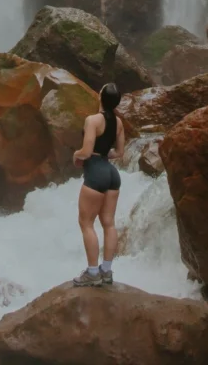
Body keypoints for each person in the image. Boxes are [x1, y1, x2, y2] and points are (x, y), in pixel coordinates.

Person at [72, 82, 125, 286]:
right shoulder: (119, 123)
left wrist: (76, 155)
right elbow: (119, 153)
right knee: (109, 222)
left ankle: (93, 272)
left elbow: (85, 152)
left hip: (96, 172)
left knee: (86, 223)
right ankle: (107, 271)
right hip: (112, 173)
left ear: (101, 97)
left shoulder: (92, 120)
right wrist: (103, 155)